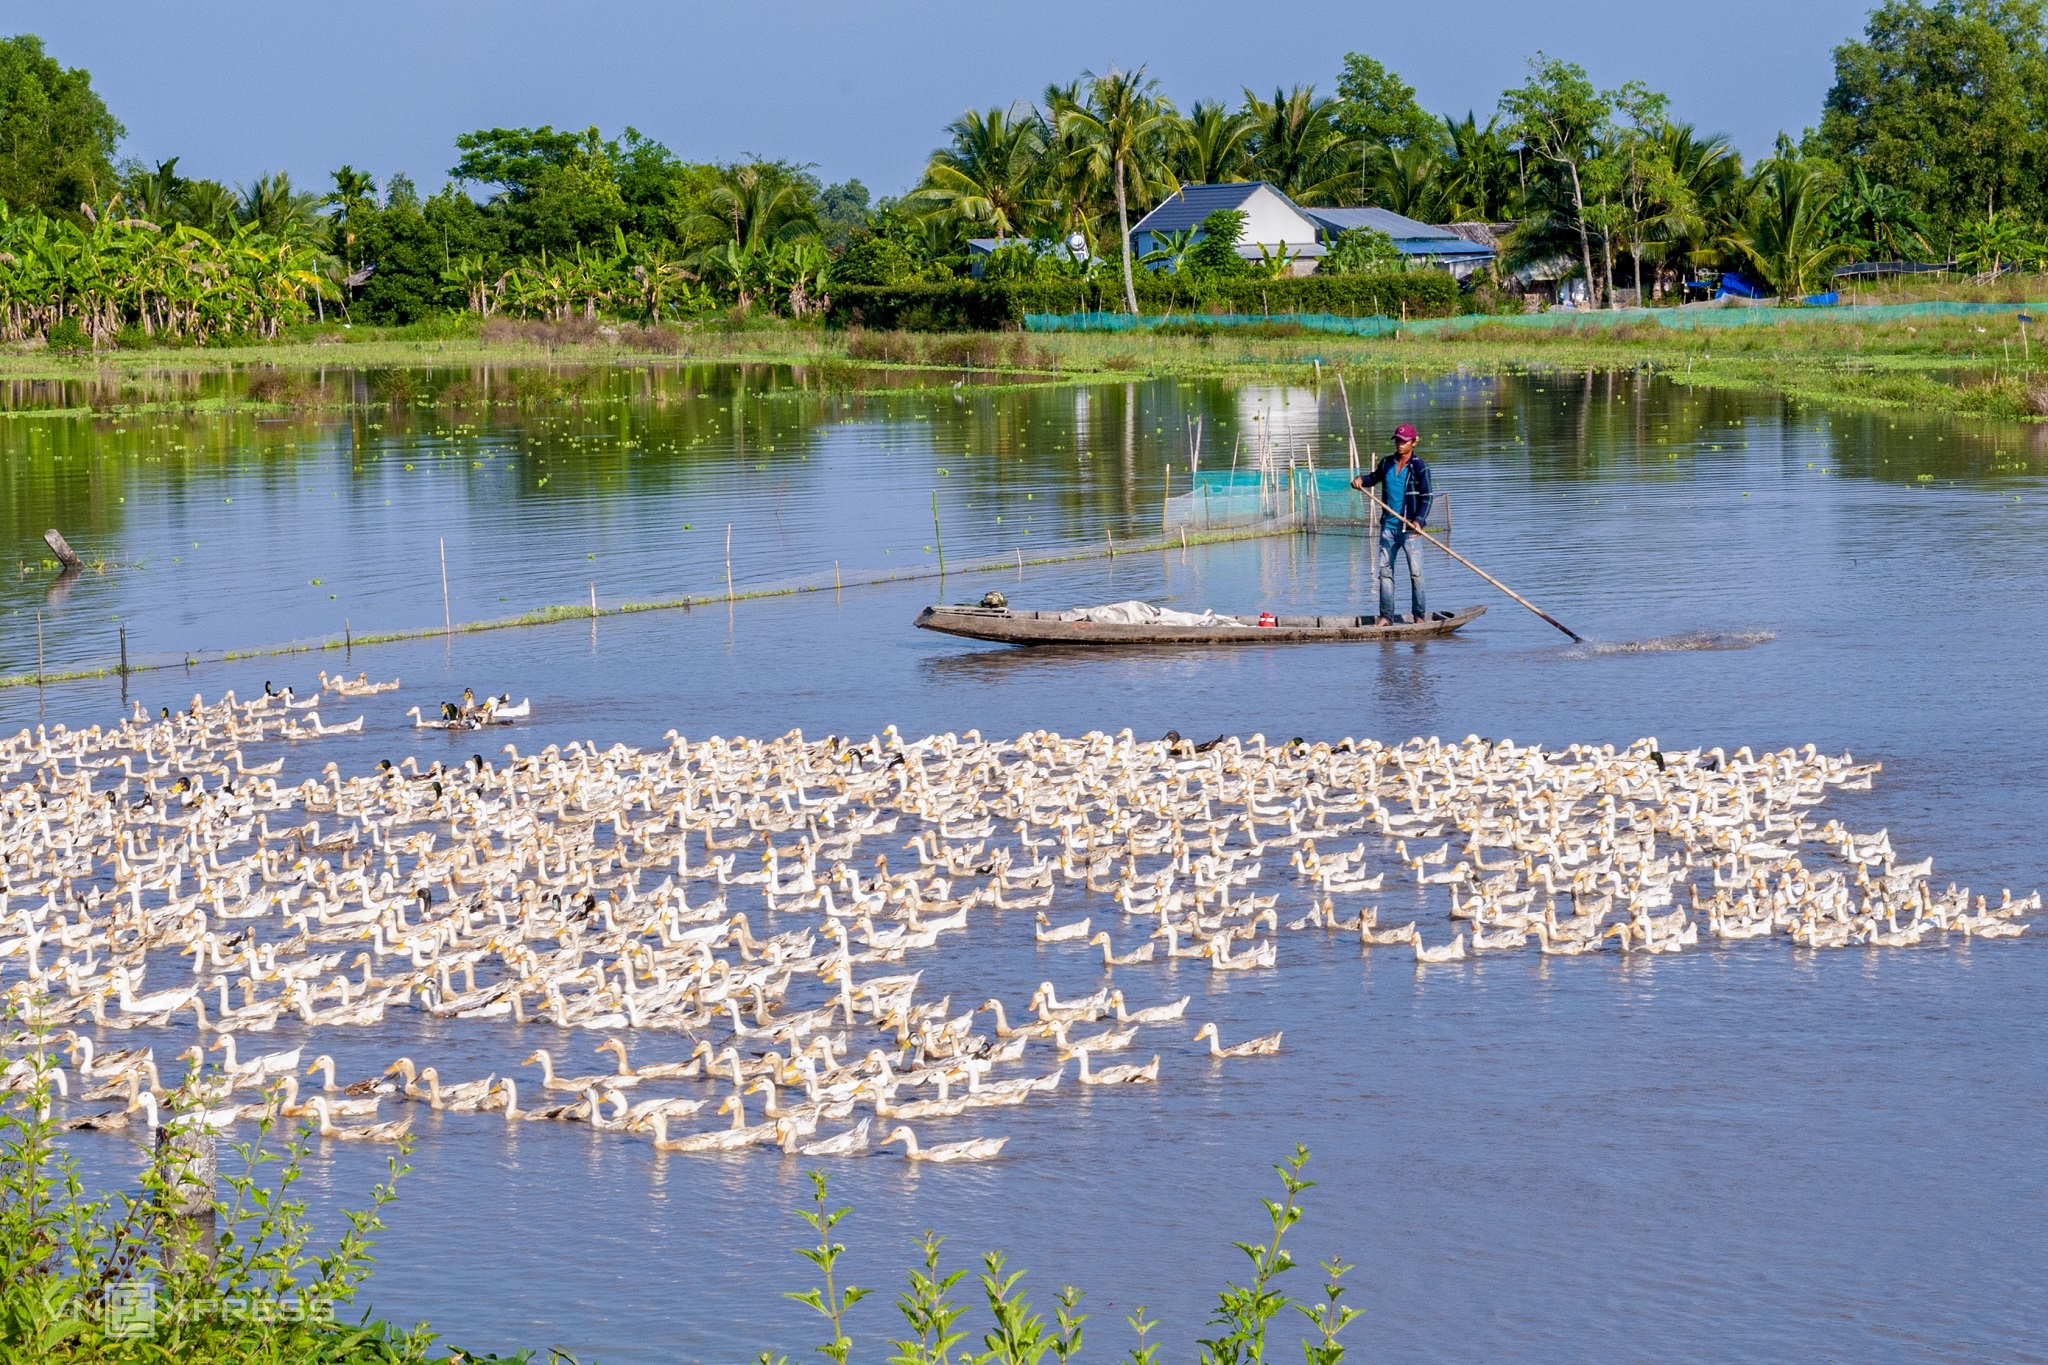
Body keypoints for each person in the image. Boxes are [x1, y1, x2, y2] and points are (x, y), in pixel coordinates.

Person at [1350, 423, 1432, 625]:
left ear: (1414, 442)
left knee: (1416, 574)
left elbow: (1427, 497)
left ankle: (1419, 616)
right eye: (1397, 440)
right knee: (1385, 573)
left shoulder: (1419, 467)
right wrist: (1361, 479)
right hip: (1388, 527)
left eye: (1404, 441)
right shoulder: (1387, 463)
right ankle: (1386, 616)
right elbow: (1374, 478)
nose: (1400, 444)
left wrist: (1418, 521)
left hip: (1409, 530)